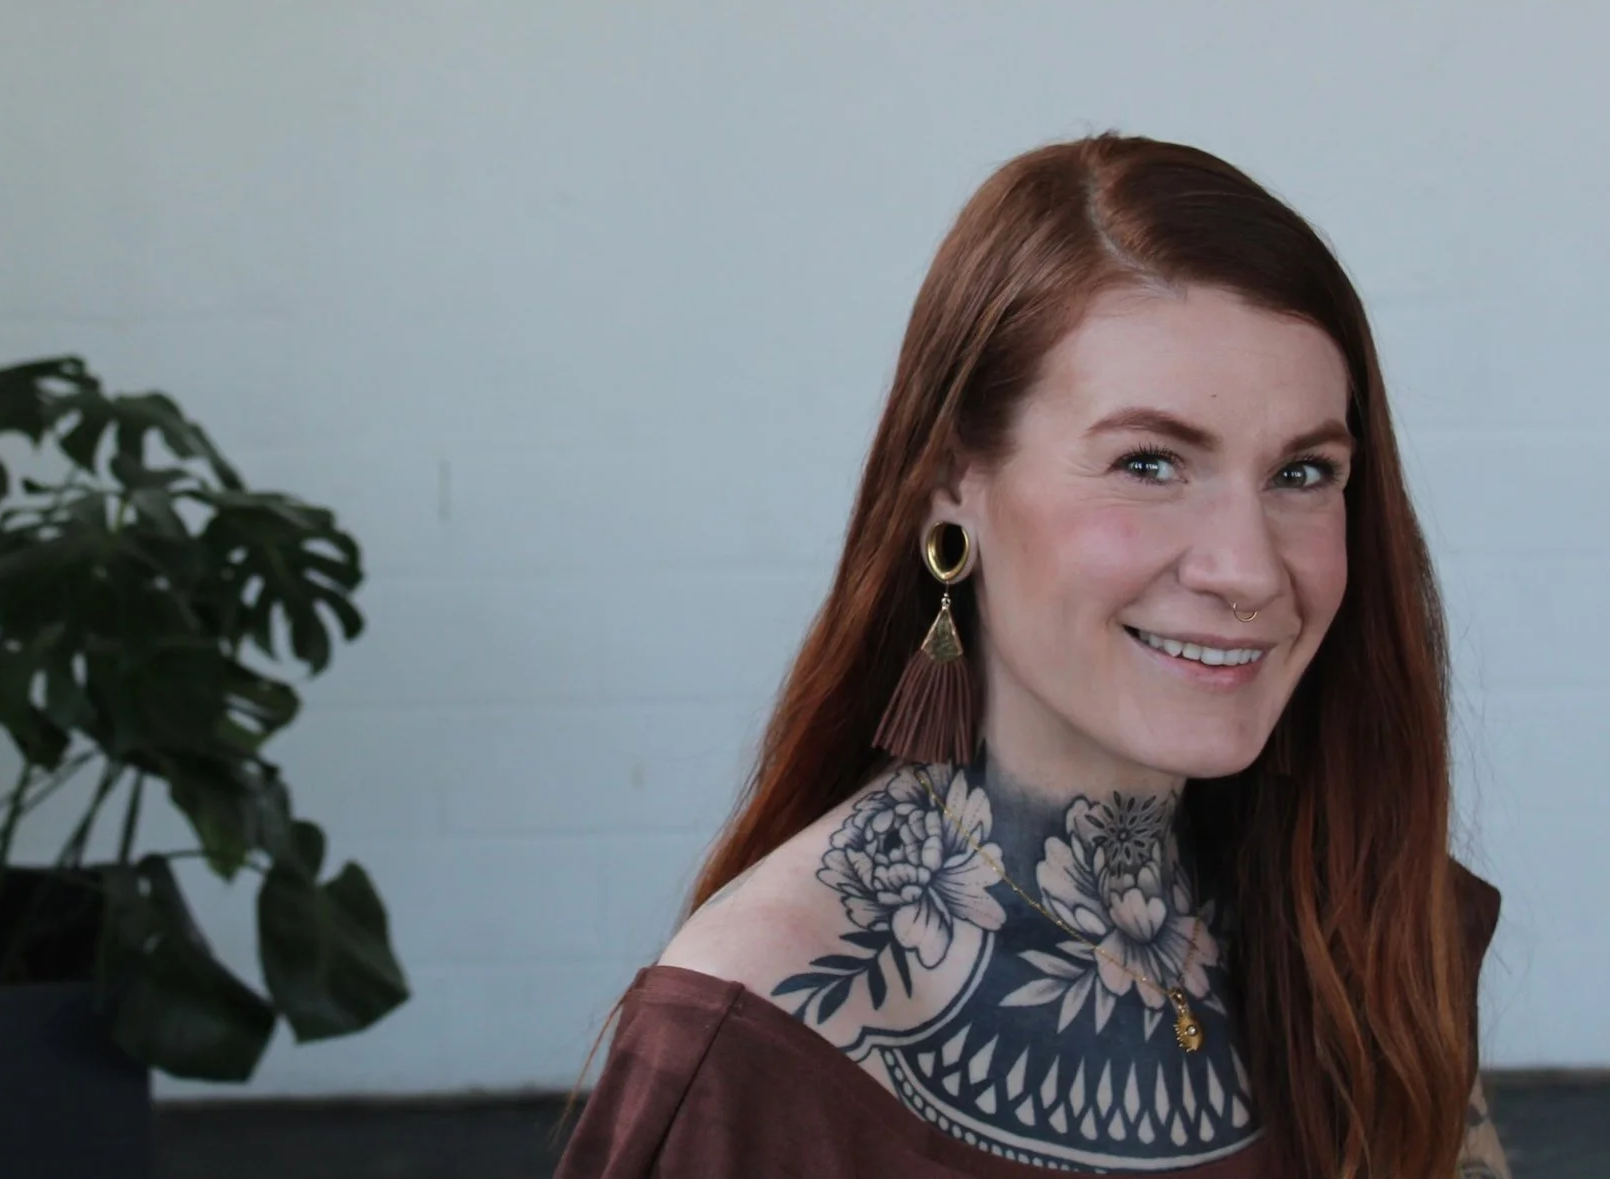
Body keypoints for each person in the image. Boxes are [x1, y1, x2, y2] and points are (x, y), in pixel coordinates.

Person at [556, 136, 1506, 1179]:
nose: (1246, 568)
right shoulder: (754, 1039)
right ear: (952, 481)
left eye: (1303, 470)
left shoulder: (1355, 920)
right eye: (1148, 461)